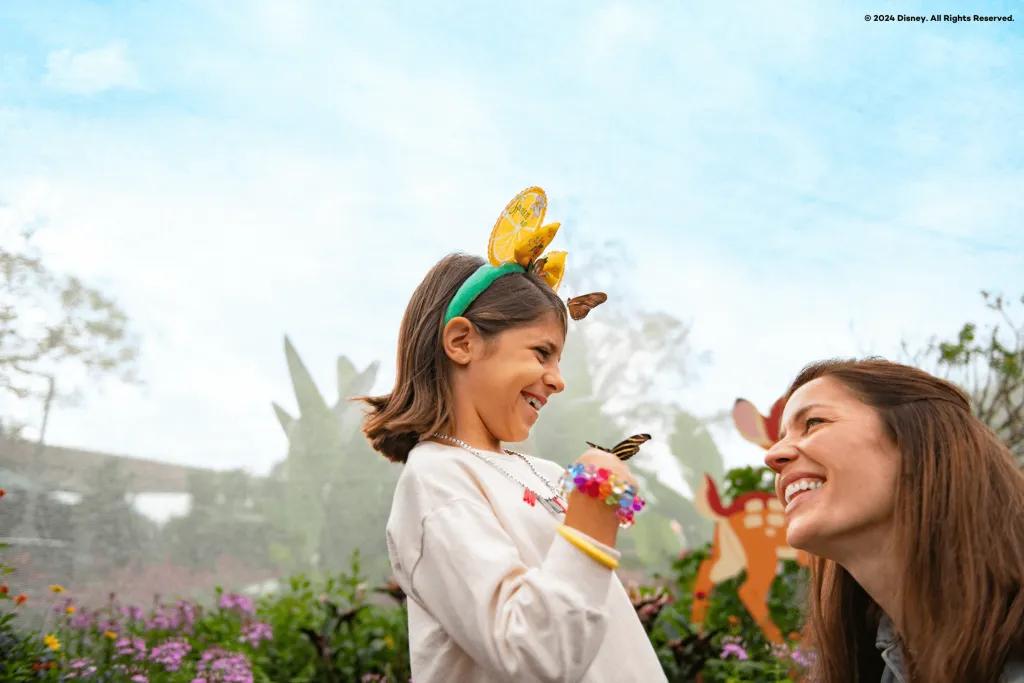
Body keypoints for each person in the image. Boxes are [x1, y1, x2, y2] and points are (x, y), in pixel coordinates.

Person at [360, 188, 665, 682]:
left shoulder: (541, 473)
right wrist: (593, 505)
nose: (559, 380)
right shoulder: (436, 478)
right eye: (542, 353)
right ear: (462, 342)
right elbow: (534, 654)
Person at [765, 358, 1024, 682]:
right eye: (782, 435)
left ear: (917, 438)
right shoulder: (870, 663)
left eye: (814, 422)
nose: (772, 455)